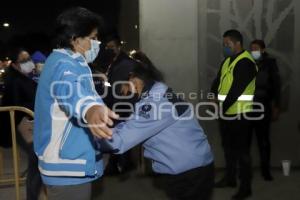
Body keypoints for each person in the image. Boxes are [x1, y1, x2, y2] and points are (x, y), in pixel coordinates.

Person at [99, 53, 214, 200]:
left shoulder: (155, 103)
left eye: (122, 85)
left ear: (134, 78)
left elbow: (119, 141)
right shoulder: (154, 94)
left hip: (190, 173)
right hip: (189, 166)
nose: (123, 91)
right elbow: (131, 124)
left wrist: (90, 139)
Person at [33, 7, 118, 200]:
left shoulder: (67, 61)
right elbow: (70, 90)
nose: (97, 43)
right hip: (66, 168)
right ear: (75, 39)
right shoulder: (64, 64)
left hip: (68, 162)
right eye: (93, 37)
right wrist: (90, 109)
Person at [211, 30, 257, 200]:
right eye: (224, 44)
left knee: (242, 153)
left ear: (237, 43)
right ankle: (230, 179)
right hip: (227, 114)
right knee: (228, 149)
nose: (225, 47)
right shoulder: (227, 61)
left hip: (241, 115)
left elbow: (236, 90)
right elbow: (217, 81)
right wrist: (212, 97)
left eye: (227, 44)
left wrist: (220, 108)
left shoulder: (246, 62)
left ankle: (246, 187)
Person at [0, 48, 41, 200]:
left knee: (37, 161)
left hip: (27, 123)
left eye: (28, 58)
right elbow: (19, 106)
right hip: (19, 125)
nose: (28, 62)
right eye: (23, 61)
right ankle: (32, 196)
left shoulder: (27, 76)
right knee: (37, 159)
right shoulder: (15, 80)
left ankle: (34, 194)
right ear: (15, 64)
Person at [102, 34, 137, 175]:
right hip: (114, 102)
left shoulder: (127, 63)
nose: (110, 50)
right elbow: (109, 83)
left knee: (120, 134)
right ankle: (119, 163)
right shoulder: (111, 63)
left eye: (112, 47)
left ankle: (120, 164)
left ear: (118, 46)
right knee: (116, 133)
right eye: (107, 47)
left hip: (123, 104)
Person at [250, 39, 281, 181]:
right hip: (247, 106)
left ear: (263, 50)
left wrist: (276, 106)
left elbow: (276, 86)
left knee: (263, 141)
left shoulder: (270, 64)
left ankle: (265, 171)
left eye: (256, 49)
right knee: (246, 140)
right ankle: (245, 171)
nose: (253, 51)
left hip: (263, 105)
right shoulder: (248, 62)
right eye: (252, 49)